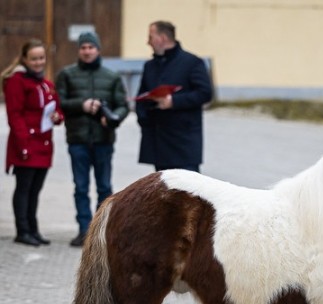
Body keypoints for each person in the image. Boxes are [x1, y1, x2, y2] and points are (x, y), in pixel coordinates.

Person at [55, 31, 129, 247]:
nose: (87, 51)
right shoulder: (66, 75)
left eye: (91, 47)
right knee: (80, 187)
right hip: (77, 139)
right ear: (79, 50)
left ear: (98, 49)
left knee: (104, 188)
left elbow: (123, 105)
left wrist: (113, 120)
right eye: (83, 47)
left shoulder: (111, 77)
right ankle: (84, 231)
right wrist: (82, 105)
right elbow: (59, 102)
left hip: (103, 140)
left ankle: (102, 232)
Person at [2, 39, 63, 246]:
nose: (38, 62)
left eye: (41, 58)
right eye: (34, 59)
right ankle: (23, 230)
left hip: (43, 145)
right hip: (25, 144)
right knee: (24, 188)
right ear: (25, 59)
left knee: (35, 190)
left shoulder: (46, 83)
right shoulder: (16, 81)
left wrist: (58, 117)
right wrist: (23, 144)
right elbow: (15, 116)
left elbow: (57, 108)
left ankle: (33, 229)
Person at [136, 21, 213, 172]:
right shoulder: (150, 66)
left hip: (184, 144)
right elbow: (141, 97)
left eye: (151, 37)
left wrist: (174, 101)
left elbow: (205, 93)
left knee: (188, 193)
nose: (148, 42)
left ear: (162, 38)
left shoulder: (192, 62)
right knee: (163, 194)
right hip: (159, 143)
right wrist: (143, 117)